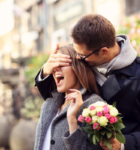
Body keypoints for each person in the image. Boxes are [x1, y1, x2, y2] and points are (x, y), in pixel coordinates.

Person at [35, 14, 140, 150]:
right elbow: (55, 95)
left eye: (82, 56)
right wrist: (46, 70)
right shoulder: (87, 57)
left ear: (103, 51)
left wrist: (123, 144)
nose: (77, 58)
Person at [34, 45, 104, 150]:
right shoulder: (48, 104)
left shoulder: (94, 105)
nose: (55, 67)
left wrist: (72, 120)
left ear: (78, 68)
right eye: (54, 63)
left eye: (61, 63)